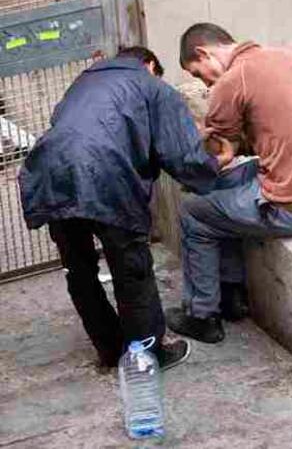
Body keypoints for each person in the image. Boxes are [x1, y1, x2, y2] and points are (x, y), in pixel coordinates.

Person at [18, 45, 233, 370]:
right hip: (106, 174)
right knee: (131, 269)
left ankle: (109, 349)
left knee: (79, 270)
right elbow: (180, 157)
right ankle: (149, 354)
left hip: (51, 171)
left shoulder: (85, 82)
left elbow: (92, 127)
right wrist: (215, 164)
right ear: (149, 65)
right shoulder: (152, 86)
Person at [166, 23, 292, 344]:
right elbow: (264, 136)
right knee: (220, 193)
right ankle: (232, 297)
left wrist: (195, 136)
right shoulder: (286, 57)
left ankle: (202, 315)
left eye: (198, 74)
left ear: (203, 53)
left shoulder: (232, 81)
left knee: (194, 213)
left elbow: (215, 150)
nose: (205, 84)